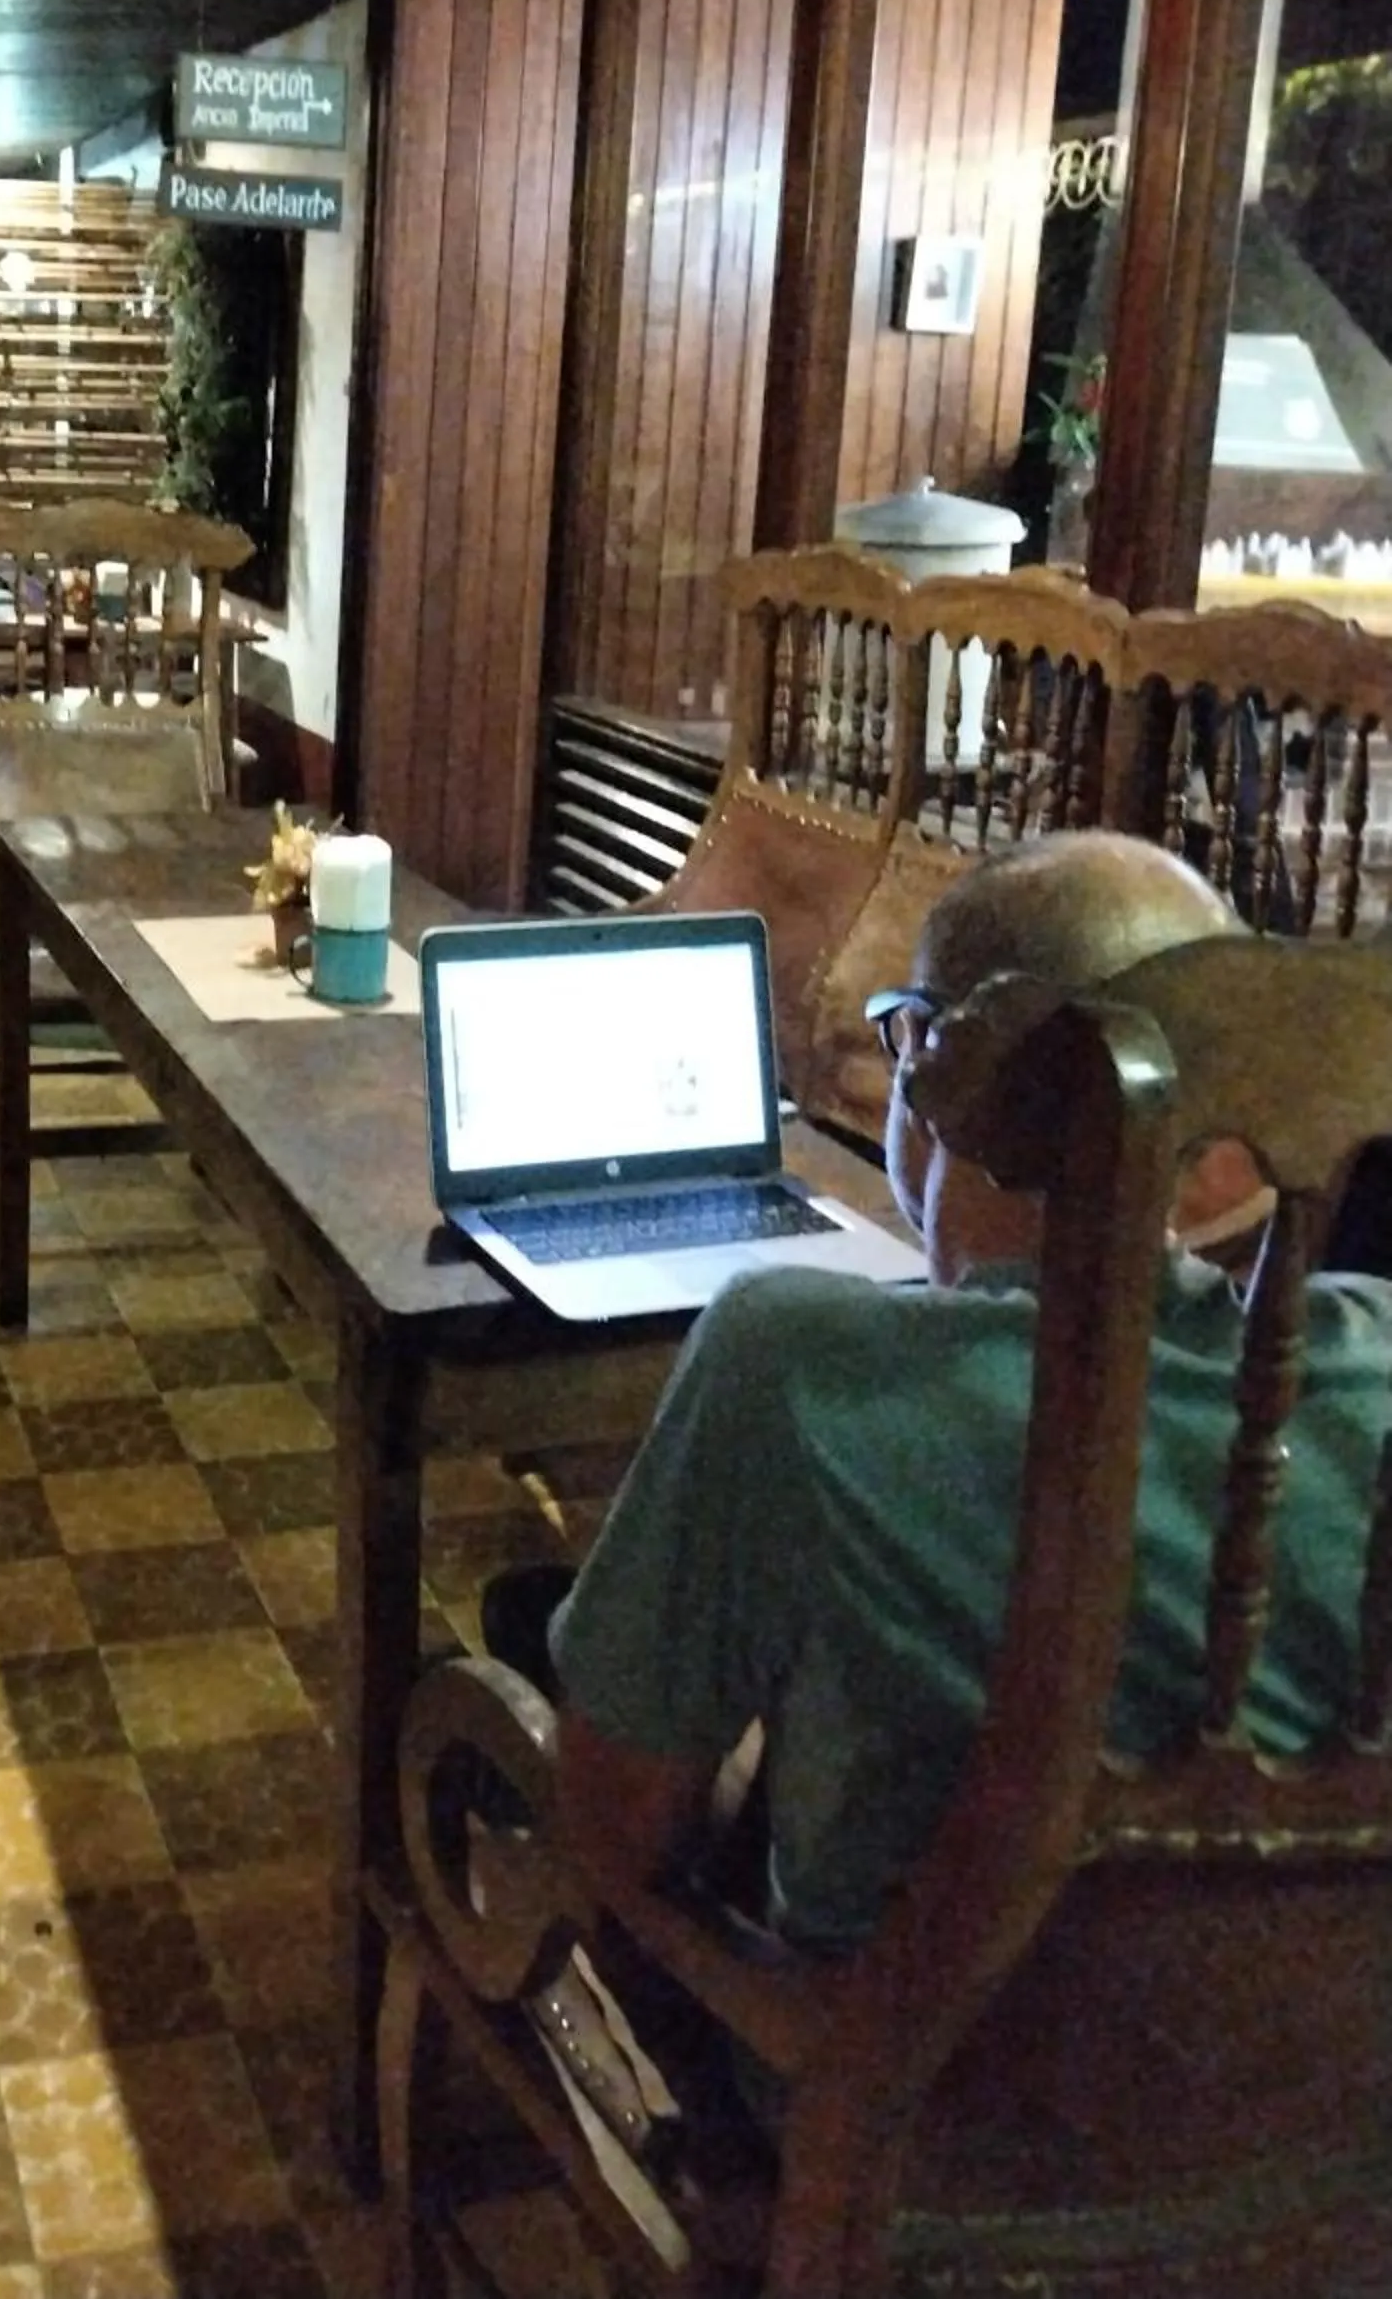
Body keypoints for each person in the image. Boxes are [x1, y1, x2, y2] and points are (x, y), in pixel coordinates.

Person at [496, 830, 1392, 1959]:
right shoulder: (1370, 1355)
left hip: (878, 2061)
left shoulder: (792, 1361)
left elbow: (619, 1833)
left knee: (535, 1665)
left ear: (931, 1067)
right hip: (1283, 2060)